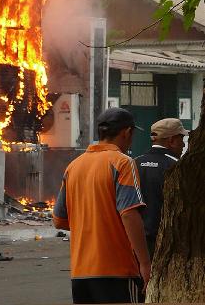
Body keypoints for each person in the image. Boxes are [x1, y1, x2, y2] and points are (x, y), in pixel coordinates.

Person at [53, 107, 151, 304]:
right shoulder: (123, 163)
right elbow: (129, 214)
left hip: (81, 273)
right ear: (127, 133)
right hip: (118, 271)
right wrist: (145, 263)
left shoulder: (74, 166)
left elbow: (59, 220)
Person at [135, 118, 188, 259]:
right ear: (171, 141)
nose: (183, 144)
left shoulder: (134, 163)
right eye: (181, 138)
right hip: (168, 243)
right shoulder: (177, 166)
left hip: (136, 241)